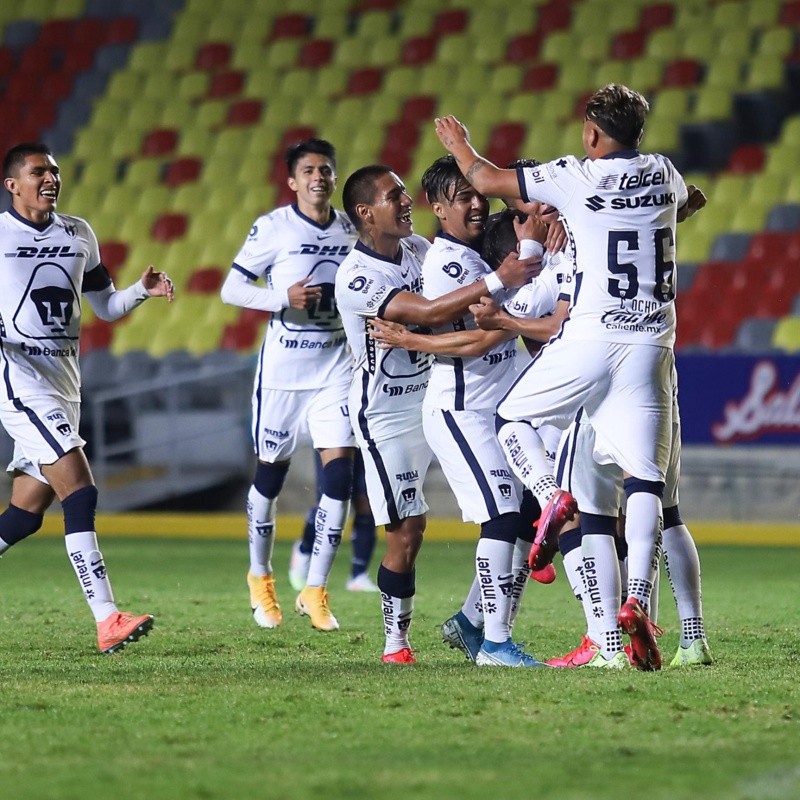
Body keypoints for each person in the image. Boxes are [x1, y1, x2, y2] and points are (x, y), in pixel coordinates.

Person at [435, 83, 705, 670]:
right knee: (645, 482)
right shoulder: (664, 171)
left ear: (591, 134)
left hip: (586, 335)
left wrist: (459, 144)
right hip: (650, 341)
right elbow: (686, 203)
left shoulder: (574, 176)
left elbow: (484, 178)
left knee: (514, 417)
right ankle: (637, 601)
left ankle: (549, 494)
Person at [334, 164, 538, 664]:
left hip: (438, 391)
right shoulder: (356, 276)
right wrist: (502, 278)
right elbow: (424, 313)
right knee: (409, 531)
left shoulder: (419, 250)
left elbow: (448, 306)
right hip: (387, 411)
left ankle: (474, 624)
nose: (407, 201)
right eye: (393, 196)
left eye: (405, 192)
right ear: (366, 213)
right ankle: (396, 642)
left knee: (518, 511)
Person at [0, 142, 174, 654]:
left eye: (54, 171)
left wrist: (141, 290)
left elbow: (106, 306)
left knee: (25, 514)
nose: (51, 179)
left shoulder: (79, 233)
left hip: (64, 381)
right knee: (80, 488)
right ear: (13, 184)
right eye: (39, 172)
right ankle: (107, 619)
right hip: (19, 378)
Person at [221, 138, 357, 632]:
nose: (318, 176)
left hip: (336, 370)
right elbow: (231, 287)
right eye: (309, 170)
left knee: (339, 480)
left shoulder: (350, 228)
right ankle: (260, 577)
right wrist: (283, 296)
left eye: (325, 169)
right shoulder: (274, 228)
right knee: (270, 477)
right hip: (283, 372)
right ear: (292, 181)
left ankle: (315, 589)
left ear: (335, 178)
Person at [289, 448, 379, 593]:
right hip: (333, 434)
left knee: (366, 501)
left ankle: (359, 574)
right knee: (329, 501)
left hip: (365, 435)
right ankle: (304, 549)